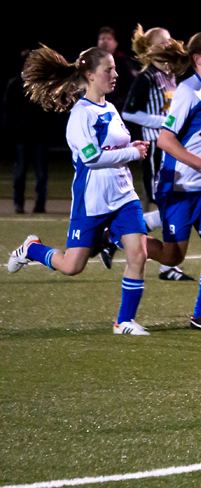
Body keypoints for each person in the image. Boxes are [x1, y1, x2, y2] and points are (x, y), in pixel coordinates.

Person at [7, 45, 151, 335]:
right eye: (108, 70)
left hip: (124, 196)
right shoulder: (80, 115)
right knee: (73, 266)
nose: (115, 74)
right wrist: (132, 154)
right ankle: (32, 249)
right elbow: (92, 158)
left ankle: (123, 321)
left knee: (139, 254)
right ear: (90, 75)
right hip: (92, 201)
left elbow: (115, 147)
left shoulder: (109, 108)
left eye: (114, 68)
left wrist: (131, 146)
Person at [141, 32, 201, 331]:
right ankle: (119, 237)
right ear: (197, 59)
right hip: (176, 184)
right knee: (172, 256)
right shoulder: (188, 91)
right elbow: (166, 141)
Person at [115, 24, 193, 282]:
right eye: (166, 41)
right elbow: (128, 112)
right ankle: (117, 234)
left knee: (177, 206)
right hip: (156, 152)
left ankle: (166, 263)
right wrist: (161, 122)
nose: (171, 44)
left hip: (172, 151)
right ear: (152, 48)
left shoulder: (169, 75)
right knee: (171, 207)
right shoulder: (145, 77)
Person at [4, 49, 52, 214]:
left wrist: (48, 129)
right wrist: (13, 129)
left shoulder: (44, 85)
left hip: (40, 136)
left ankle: (40, 204)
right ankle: (18, 203)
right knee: (19, 173)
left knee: (41, 174)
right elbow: (8, 110)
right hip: (21, 137)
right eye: (28, 63)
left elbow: (51, 110)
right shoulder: (15, 84)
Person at [97, 26, 138, 111]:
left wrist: (118, 103)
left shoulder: (124, 62)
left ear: (116, 43)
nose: (105, 41)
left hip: (118, 109)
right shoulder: (93, 62)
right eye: (102, 38)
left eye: (109, 38)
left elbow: (132, 87)